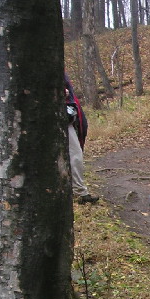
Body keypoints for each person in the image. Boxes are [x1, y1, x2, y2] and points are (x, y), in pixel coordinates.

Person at [64, 74, 98, 204]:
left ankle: (78, 191)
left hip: (67, 118)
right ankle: (79, 192)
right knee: (75, 155)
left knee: (75, 154)